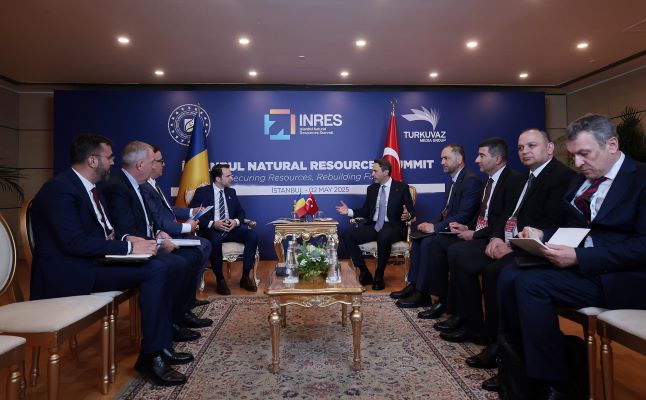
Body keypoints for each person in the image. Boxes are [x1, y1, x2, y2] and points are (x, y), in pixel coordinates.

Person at [498, 114, 646, 399]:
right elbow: (575, 228)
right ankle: (521, 368)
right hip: (586, 266)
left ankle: (554, 383)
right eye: (573, 156)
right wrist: (543, 234)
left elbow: (642, 246)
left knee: (531, 284)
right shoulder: (582, 180)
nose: (577, 163)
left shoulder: (640, 179)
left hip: (621, 276)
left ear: (612, 145)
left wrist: (580, 258)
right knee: (509, 273)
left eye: (584, 154)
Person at [29, 134, 193, 386]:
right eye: (109, 157)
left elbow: (102, 234)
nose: (113, 162)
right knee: (156, 270)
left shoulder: (89, 188)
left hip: (95, 262)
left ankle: (159, 346)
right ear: (92, 160)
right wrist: (129, 247)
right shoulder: (59, 190)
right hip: (72, 273)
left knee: (160, 265)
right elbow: (74, 243)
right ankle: (152, 355)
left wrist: (129, 241)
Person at [437, 129, 573, 390]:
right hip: (509, 242)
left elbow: (553, 224)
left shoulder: (561, 178)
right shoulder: (526, 178)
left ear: (550, 148)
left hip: (534, 248)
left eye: (531, 146)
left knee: (496, 272)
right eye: (521, 147)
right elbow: (506, 216)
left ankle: (501, 348)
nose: (525, 151)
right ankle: (482, 331)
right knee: (460, 254)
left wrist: (512, 244)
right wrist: (498, 237)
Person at [102, 141, 212, 333]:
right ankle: (171, 322)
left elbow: (154, 219)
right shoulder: (120, 187)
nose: (157, 165)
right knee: (180, 261)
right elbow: (126, 230)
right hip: (133, 250)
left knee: (192, 254)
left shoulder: (138, 184)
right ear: (140, 165)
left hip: (152, 240)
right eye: (154, 161)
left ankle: (180, 313)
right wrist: (157, 240)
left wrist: (157, 234)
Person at [411, 138, 519, 316]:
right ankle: (419, 289)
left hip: (490, 237)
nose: (476, 160)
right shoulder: (484, 181)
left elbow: (473, 215)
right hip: (472, 230)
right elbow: (450, 211)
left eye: (481, 155)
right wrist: (435, 224)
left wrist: (470, 232)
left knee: (437, 244)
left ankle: (448, 304)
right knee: (420, 237)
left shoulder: (479, 180)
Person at [390, 144, 482, 306]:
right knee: (418, 238)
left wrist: (435, 228)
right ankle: (415, 286)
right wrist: (430, 223)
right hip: (449, 228)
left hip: (461, 231)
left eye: (446, 158)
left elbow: (464, 215)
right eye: (441, 159)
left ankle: (427, 294)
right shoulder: (452, 182)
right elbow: (445, 212)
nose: (442, 162)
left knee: (429, 242)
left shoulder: (471, 180)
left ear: (459, 159)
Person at [140, 145, 212, 305]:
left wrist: (191, 211)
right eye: (160, 161)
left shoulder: (153, 184)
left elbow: (168, 209)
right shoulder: (144, 187)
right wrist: (187, 227)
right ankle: (184, 300)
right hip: (165, 235)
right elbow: (158, 219)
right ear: (150, 163)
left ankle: (189, 297)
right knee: (200, 248)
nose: (164, 164)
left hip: (172, 232)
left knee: (205, 245)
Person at [336, 158, 415, 290]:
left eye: (375, 171)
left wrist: (408, 214)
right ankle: (364, 272)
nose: (372, 174)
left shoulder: (401, 188)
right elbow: (366, 211)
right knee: (348, 235)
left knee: (384, 235)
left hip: (393, 226)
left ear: (386, 172)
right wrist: (349, 211)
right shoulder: (371, 189)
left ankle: (379, 274)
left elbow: (411, 210)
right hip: (374, 225)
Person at [189, 163, 259, 295]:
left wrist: (235, 222)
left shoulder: (231, 192)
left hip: (230, 229)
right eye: (228, 176)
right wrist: (213, 224)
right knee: (215, 240)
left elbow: (241, 212)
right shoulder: (202, 192)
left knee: (252, 235)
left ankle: (245, 277)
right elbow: (193, 214)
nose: (232, 178)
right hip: (211, 230)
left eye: (231, 175)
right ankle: (220, 279)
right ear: (218, 178)